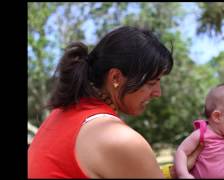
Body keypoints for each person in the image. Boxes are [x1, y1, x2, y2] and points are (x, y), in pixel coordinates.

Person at [28, 26, 203, 178]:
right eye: (151, 83)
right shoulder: (117, 138)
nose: (158, 93)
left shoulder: (62, 115)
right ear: (116, 78)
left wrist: (172, 172)